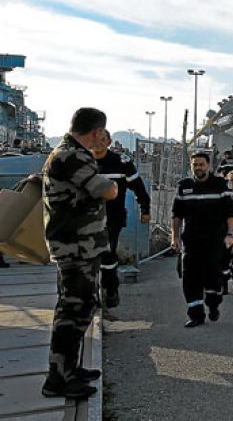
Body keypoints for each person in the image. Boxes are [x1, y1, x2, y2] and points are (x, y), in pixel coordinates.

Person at [41, 107, 118, 398]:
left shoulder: (67, 152)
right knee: (74, 309)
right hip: (76, 246)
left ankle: (68, 368)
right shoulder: (72, 155)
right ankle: (57, 377)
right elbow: (106, 190)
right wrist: (111, 186)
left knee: (80, 306)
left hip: (79, 244)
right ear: (97, 131)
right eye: (102, 133)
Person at [171, 152, 233, 328]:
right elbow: (177, 215)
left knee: (212, 277)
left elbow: (231, 213)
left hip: (214, 241)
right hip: (191, 241)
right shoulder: (183, 187)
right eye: (195, 165)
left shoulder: (220, 185)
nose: (198, 168)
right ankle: (196, 315)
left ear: (208, 166)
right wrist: (174, 237)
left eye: (201, 164)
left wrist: (231, 234)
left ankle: (213, 304)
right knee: (190, 278)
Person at [92, 131, 151, 308]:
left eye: (103, 140)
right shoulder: (82, 163)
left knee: (108, 253)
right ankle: (93, 294)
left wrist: (145, 208)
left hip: (113, 217)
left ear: (109, 142)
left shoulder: (121, 163)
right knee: (89, 257)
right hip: (86, 219)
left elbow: (139, 187)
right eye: (95, 140)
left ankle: (111, 290)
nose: (98, 143)